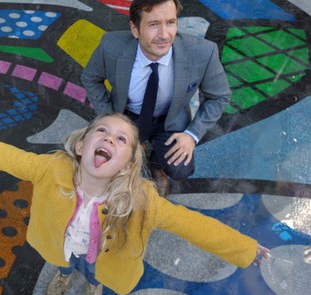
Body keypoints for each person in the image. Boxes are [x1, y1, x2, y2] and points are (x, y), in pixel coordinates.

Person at [0, 113, 269, 295]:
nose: (109, 138)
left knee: (95, 273)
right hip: (63, 244)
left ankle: (93, 288)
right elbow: (7, 156)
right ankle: (65, 276)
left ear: (128, 163)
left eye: (121, 139)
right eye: (102, 131)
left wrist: (243, 248)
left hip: (105, 257)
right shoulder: (51, 169)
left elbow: (192, 225)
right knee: (64, 261)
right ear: (82, 145)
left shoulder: (142, 200)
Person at [81, 0, 231, 197]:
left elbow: (219, 97)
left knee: (180, 169)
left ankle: (156, 163)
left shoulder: (203, 53)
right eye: (153, 24)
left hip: (169, 120)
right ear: (135, 29)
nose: (164, 35)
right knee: (102, 165)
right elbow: (91, 78)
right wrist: (109, 118)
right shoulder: (111, 45)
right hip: (126, 115)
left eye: (170, 22)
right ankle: (137, 145)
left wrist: (192, 135)